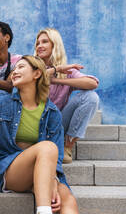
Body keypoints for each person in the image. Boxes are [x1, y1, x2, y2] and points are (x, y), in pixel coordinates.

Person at [0, 55, 78, 214]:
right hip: (8, 169)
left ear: (37, 74)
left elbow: (57, 157)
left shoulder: (52, 112)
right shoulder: (2, 104)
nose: (14, 71)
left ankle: (45, 203)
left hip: (43, 170)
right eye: (14, 68)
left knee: (67, 198)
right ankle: (43, 211)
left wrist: (52, 180)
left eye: (21, 67)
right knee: (47, 147)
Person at [34, 28, 99, 163]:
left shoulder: (66, 70)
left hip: (58, 122)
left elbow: (92, 83)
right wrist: (54, 70)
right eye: (38, 43)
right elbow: (31, 79)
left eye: (44, 42)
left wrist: (57, 80)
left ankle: (67, 146)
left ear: (55, 45)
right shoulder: (31, 66)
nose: (39, 46)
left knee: (90, 97)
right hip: (35, 124)